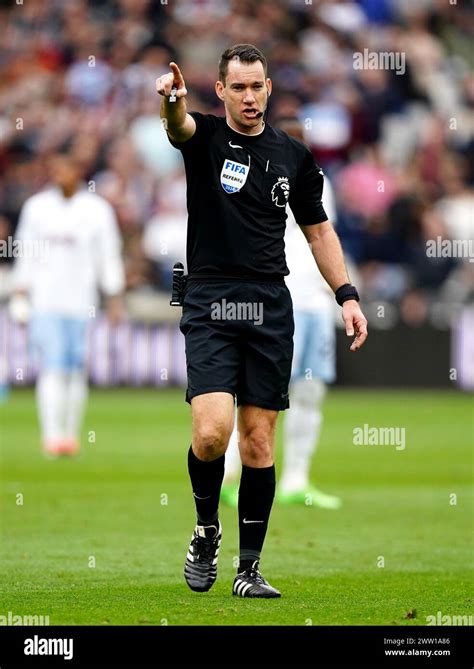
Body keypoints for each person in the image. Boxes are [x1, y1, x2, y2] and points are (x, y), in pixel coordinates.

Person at [156, 44, 368, 598]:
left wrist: (346, 293)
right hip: (211, 301)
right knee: (209, 434)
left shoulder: (293, 157)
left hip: (271, 304)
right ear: (221, 90)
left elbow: (319, 231)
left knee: (257, 444)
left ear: (268, 88)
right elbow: (177, 128)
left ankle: (249, 570)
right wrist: (173, 103)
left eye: (258, 87)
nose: (250, 97)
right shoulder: (203, 138)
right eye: (239, 88)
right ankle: (206, 530)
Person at [221, 117, 342, 511]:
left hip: (316, 304)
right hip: (275, 301)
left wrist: (342, 291)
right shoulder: (253, 175)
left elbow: (325, 237)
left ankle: (296, 480)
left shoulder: (319, 182)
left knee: (310, 392)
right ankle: (229, 476)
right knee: (257, 396)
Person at [11, 152, 125, 457]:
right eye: (56, 169)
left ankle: (70, 436)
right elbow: (25, 252)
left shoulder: (97, 210)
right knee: (52, 367)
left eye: (67, 168)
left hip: (82, 302)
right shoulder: (37, 208)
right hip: (46, 301)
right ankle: (51, 436)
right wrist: (21, 292)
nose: (61, 174)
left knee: (75, 369)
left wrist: (114, 296)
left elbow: (109, 255)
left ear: (79, 170)